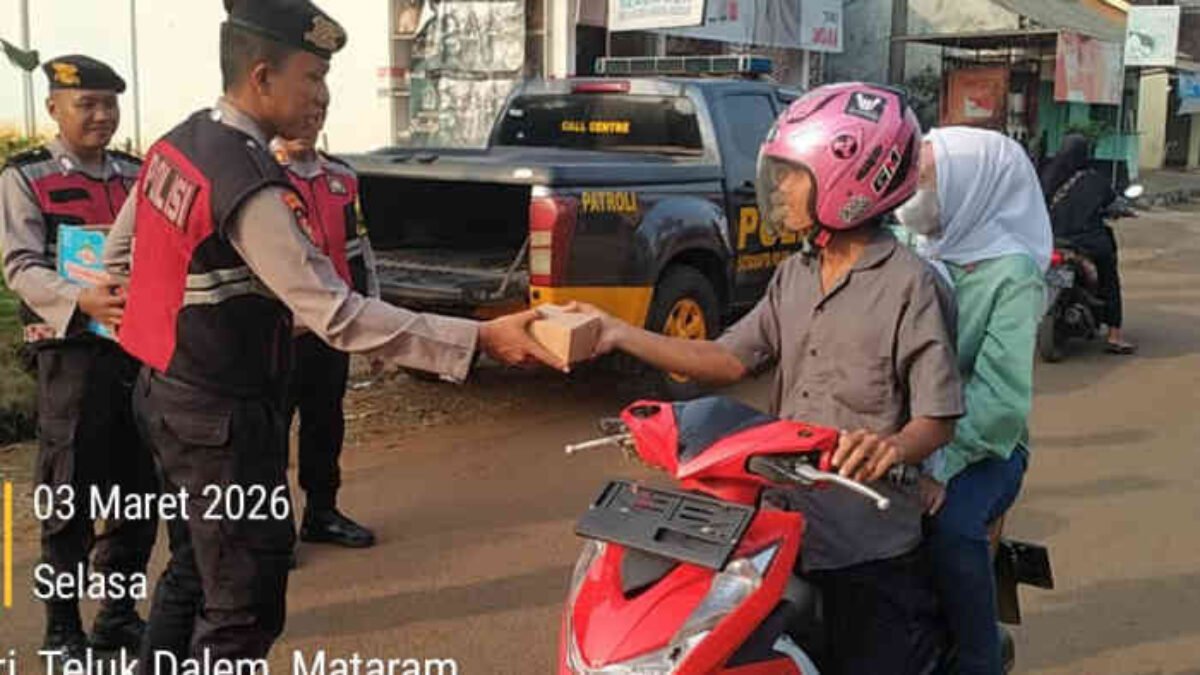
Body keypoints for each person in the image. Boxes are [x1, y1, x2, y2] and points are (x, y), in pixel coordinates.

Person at [102, 0, 562, 662]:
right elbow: (336, 312)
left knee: (192, 572)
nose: (322, 94)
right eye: (312, 77)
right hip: (223, 423)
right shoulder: (250, 181)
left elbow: (119, 260)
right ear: (261, 77)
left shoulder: (178, 143)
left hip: (170, 397)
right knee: (243, 602)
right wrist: (481, 339)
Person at [570, 83, 964, 674]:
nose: (777, 188)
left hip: (868, 538)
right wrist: (618, 334)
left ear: (849, 182)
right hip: (783, 520)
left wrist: (888, 447)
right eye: (776, 173)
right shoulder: (794, 275)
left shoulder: (912, 285)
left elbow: (938, 416)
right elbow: (729, 358)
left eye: (790, 175)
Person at [0, 55, 157, 659]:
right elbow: (20, 266)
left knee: (137, 489)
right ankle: (62, 629)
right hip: (71, 356)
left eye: (109, 104)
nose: (100, 116)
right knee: (68, 496)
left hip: (135, 352)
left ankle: (118, 615)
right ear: (54, 109)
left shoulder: (136, 174)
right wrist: (81, 298)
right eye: (86, 104)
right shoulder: (25, 176)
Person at [895, 127, 1051, 675]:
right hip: (904, 437)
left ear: (972, 187)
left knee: (953, 525)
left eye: (928, 182)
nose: (914, 195)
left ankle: (979, 659)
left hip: (983, 447)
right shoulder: (915, 246)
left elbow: (1002, 400)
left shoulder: (1013, 275)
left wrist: (940, 463)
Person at [273, 129, 380, 549]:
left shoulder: (342, 178)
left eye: (316, 112)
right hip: (277, 331)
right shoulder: (260, 176)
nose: (307, 121)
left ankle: (322, 513)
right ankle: (273, 529)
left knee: (325, 422)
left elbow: (361, 252)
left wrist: (372, 319)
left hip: (331, 325)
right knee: (271, 432)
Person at [1039, 133, 1135, 354]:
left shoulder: (1047, 175)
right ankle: (1114, 335)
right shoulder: (1095, 179)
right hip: (1088, 242)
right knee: (1109, 277)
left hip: (1050, 240)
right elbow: (1114, 203)